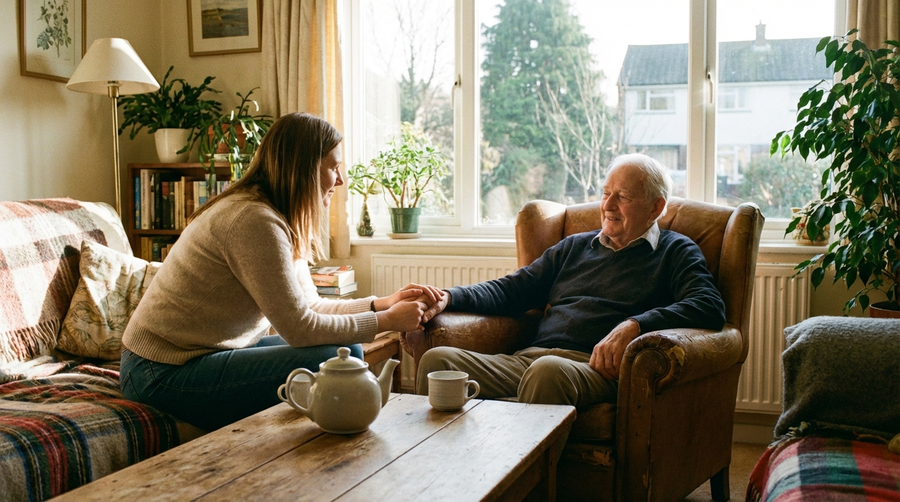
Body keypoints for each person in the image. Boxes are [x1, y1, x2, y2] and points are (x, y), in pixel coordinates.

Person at [121, 112, 441, 431]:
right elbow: (300, 329)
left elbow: (311, 307)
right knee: (333, 357)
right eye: (334, 167)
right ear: (305, 168)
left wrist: (382, 303)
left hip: (199, 355)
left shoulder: (276, 216)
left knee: (346, 350)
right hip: (158, 371)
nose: (341, 180)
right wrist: (387, 321)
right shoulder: (253, 220)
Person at [415, 153, 726, 408]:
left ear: (656, 206)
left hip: (592, 369)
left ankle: (531, 484)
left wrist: (636, 325)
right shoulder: (574, 247)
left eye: (623, 197)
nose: (607, 205)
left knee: (548, 373)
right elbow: (513, 289)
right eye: (606, 193)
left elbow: (708, 305)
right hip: (530, 360)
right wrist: (449, 297)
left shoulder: (675, 250)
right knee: (438, 361)